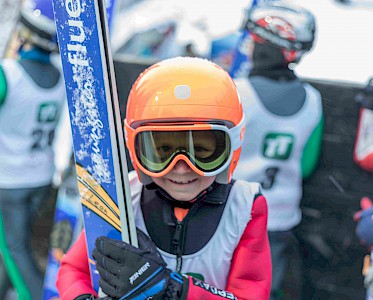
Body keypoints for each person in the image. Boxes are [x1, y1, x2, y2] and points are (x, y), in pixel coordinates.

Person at [56, 57, 272, 299]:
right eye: (162, 152)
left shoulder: (244, 207)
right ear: (135, 148)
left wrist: (174, 291)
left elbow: (251, 293)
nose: (181, 169)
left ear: (231, 145)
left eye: (201, 152)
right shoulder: (122, 197)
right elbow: (74, 269)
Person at [233, 2, 323, 299]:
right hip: (280, 217)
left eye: (254, 41)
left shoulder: (236, 92)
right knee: (264, 288)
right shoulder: (313, 100)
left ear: (265, 47)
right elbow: (307, 165)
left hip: (233, 211)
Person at [0, 0, 65, 299]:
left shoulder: (7, 74)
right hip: (40, 177)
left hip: (8, 182)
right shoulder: (60, 78)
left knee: (14, 250)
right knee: (16, 243)